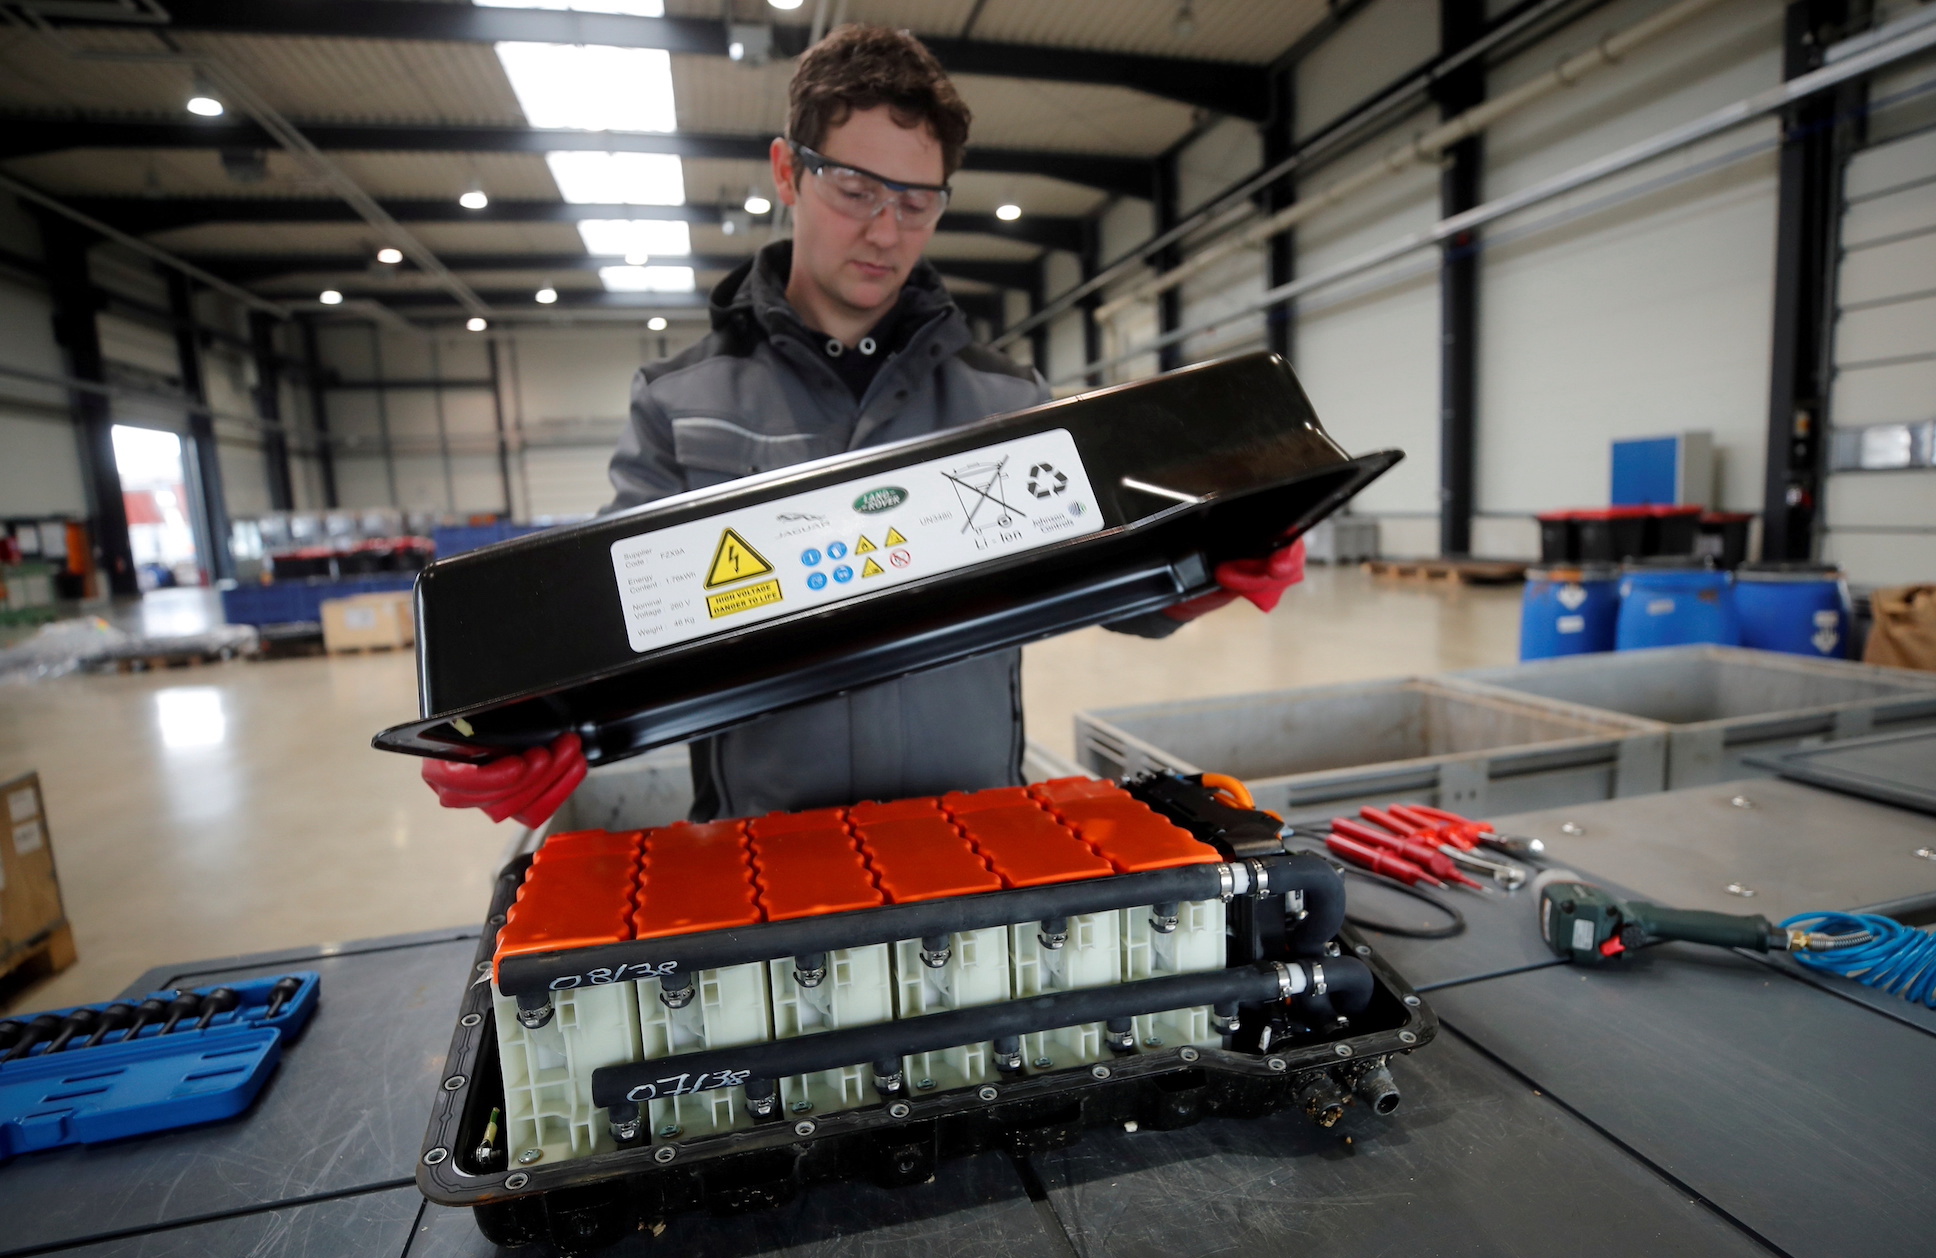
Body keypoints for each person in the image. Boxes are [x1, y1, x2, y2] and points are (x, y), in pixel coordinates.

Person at [423, 25, 1304, 827]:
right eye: (855, 189)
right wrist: (523, 731)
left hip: (972, 836)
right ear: (786, 172)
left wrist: (1211, 567)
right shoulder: (682, 405)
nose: (886, 231)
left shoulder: (1005, 402)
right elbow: (619, 627)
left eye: (918, 202)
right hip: (766, 848)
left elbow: (1114, 585)